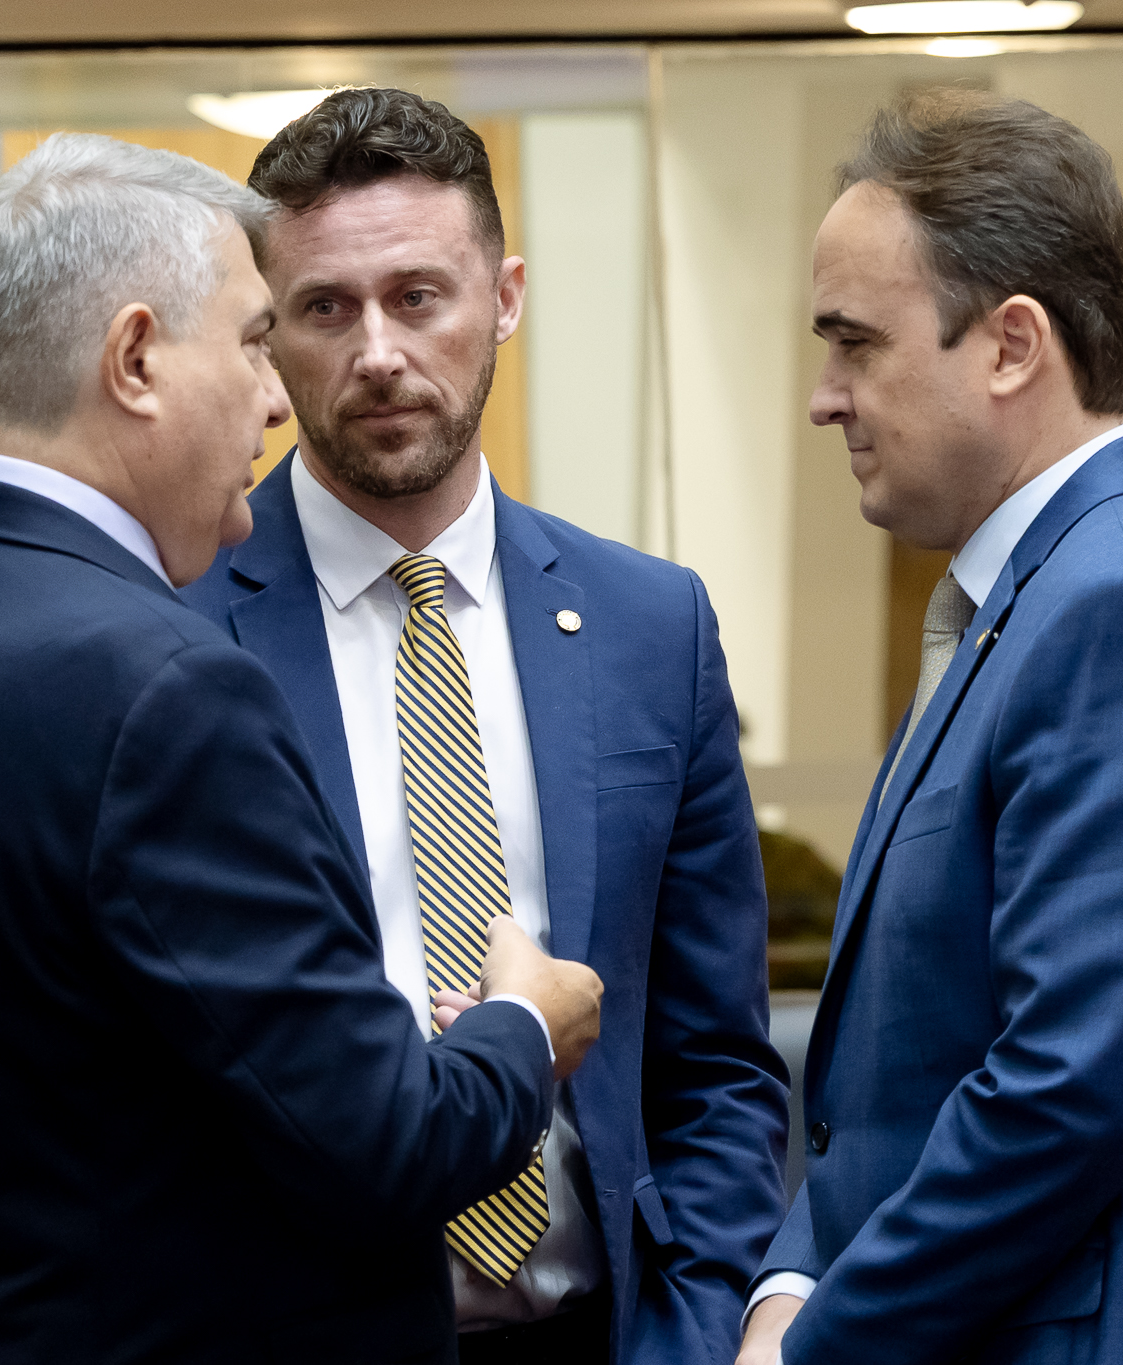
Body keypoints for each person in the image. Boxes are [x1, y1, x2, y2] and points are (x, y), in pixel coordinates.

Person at [0, 132, 605, 1365]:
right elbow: (390, 1140)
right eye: (254, 341)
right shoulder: (162, 689)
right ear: (135, 361)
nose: (276, 400)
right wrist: (525, 1027)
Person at [182, 88, 789, 1365]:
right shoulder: (174, 633)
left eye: (418, 297)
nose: (377, 353)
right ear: (266, 333)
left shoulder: (649, 626)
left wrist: (695, 1327)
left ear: (504, 299)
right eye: (324, 308)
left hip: (603, 1335)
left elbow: (715, 1064)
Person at [739, 91, 1123, 1365]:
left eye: (855, 345)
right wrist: (789, 1276)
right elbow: (904, 1073)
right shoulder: (1027, 600)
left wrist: (811, 1343)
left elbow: (1065, 1097)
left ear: (1011, 346)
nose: (823, 399)